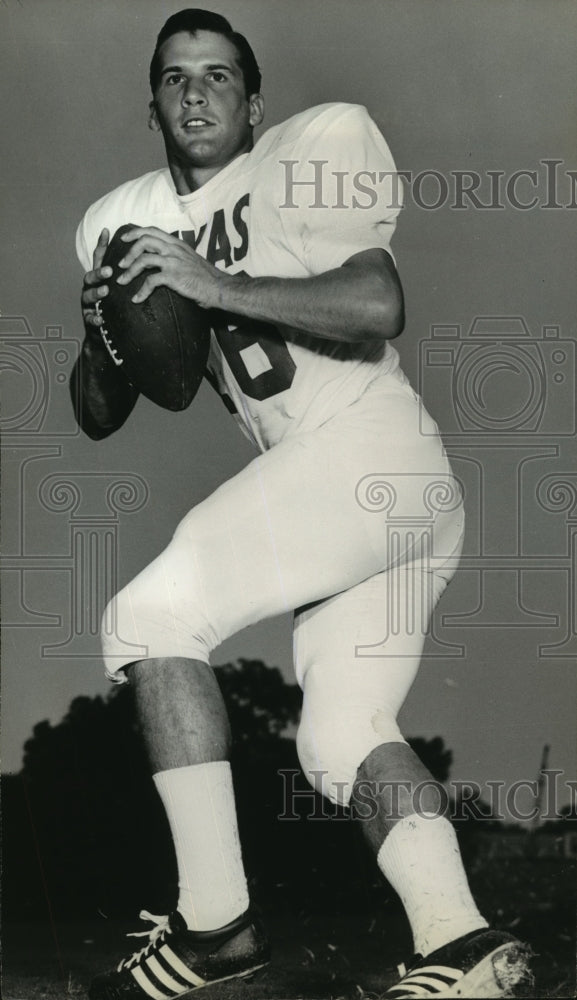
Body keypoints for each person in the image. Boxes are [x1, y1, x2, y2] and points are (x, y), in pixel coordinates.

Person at [73, 10, 531, 999]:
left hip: (370, 451)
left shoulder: (315, 145)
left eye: (219, 75)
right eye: (175, 77)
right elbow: (104, 410)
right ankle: (464, 944)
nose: (197, 93)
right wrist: (103, 330)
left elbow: (378, 304)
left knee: (150, 616)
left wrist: (210, 281)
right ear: (151, 102)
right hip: (364, 498)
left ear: (254, 101)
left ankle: (217, 925)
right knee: (339, 733)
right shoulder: (120, 219)